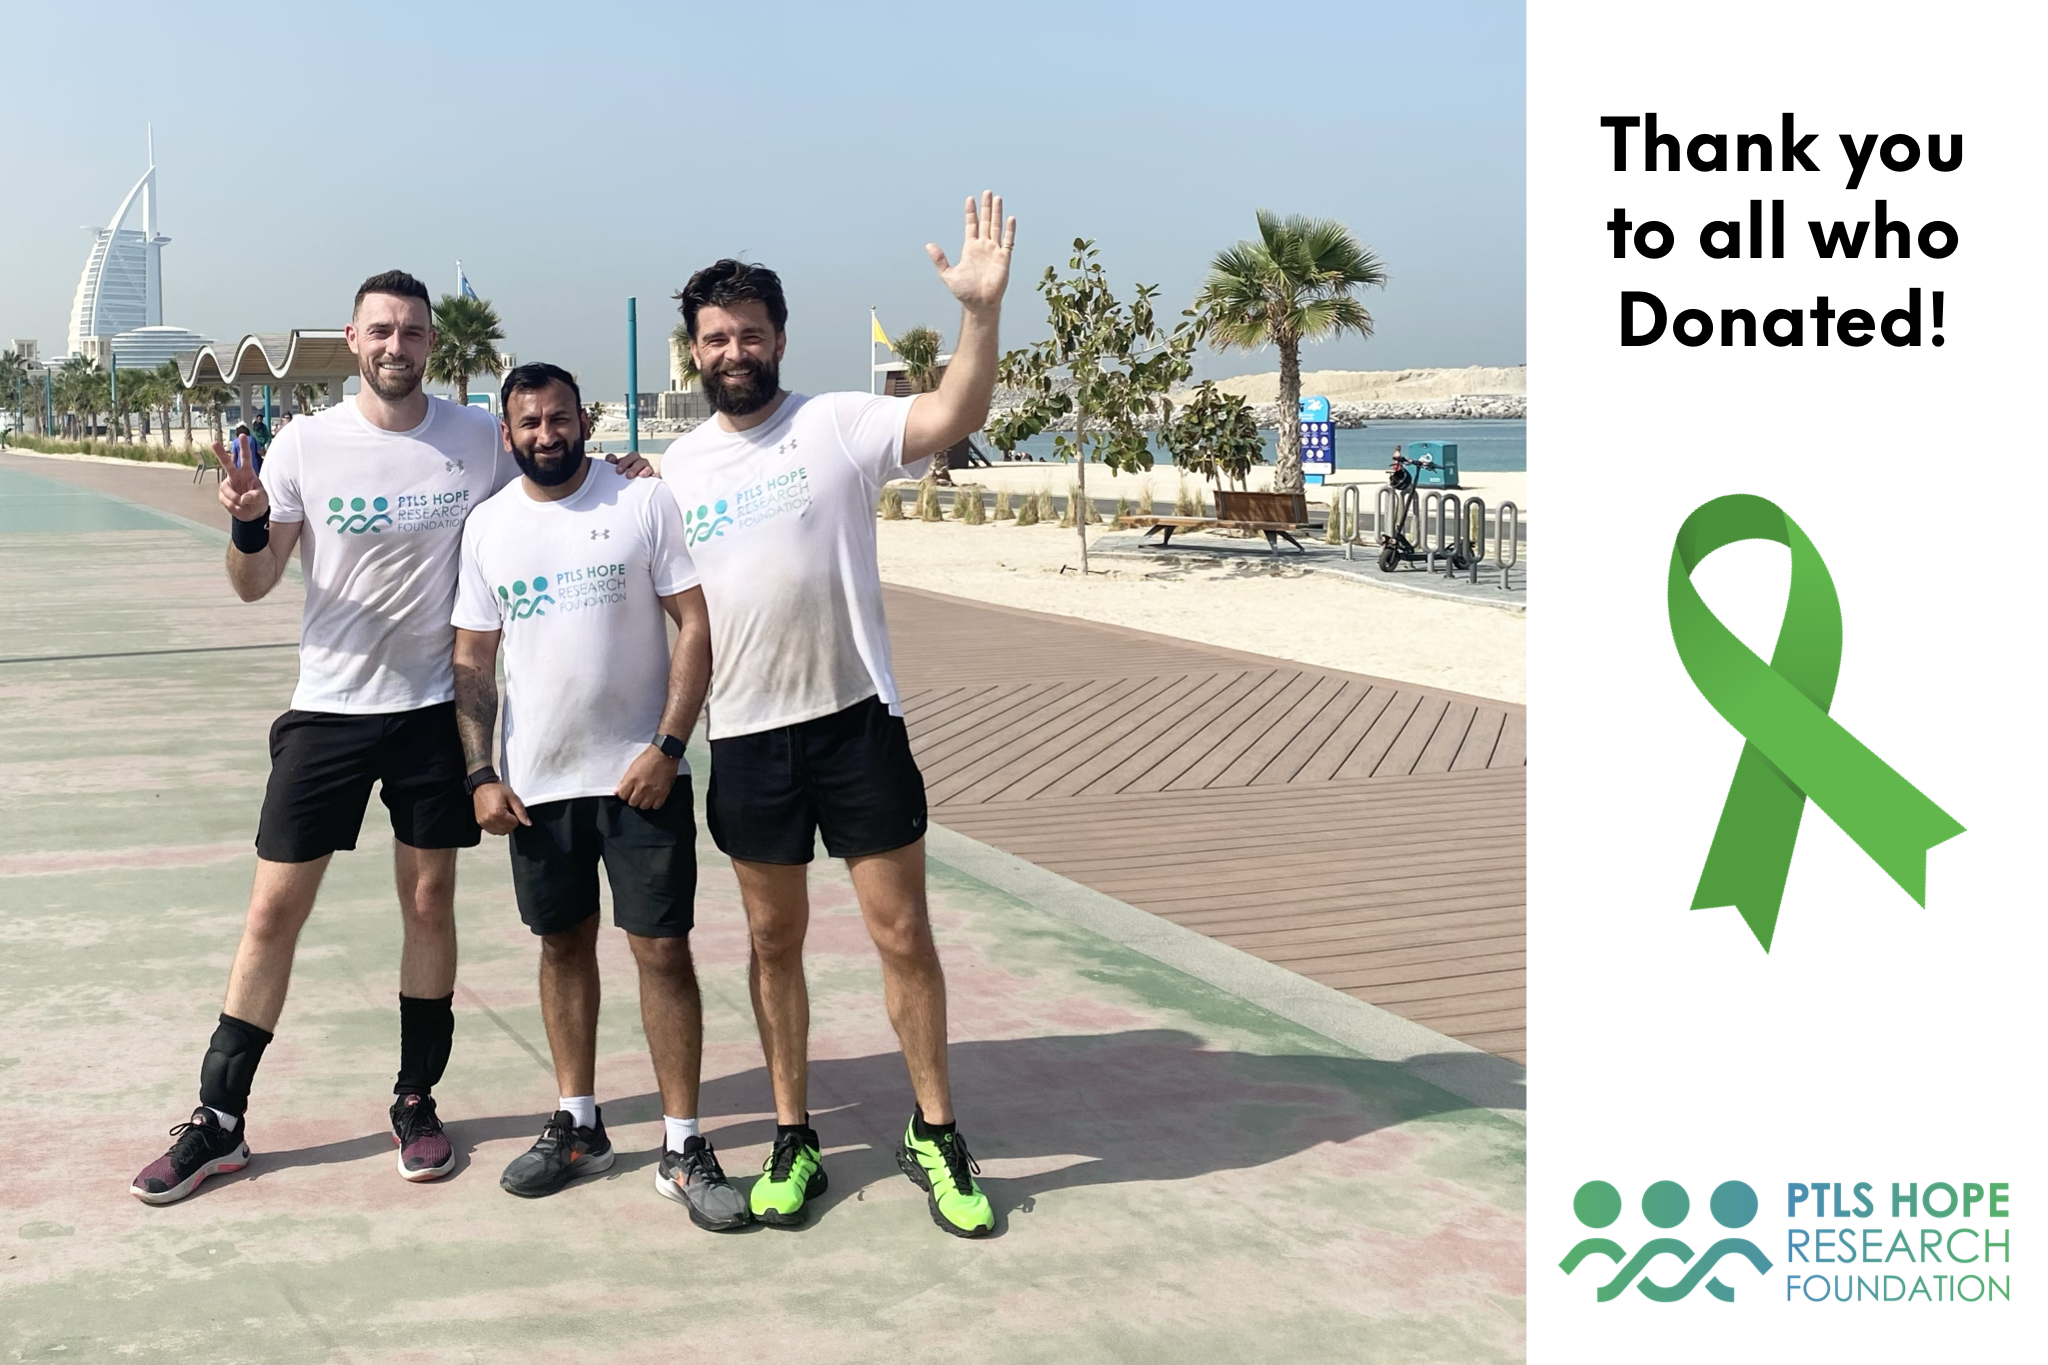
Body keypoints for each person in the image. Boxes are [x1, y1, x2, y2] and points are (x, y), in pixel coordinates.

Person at [129, 271, 650, 1206]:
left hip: (430, 714)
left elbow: (553, 480)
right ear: (354, 337)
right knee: (271, 912)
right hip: (329, 708)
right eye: (381, 330)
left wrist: (628, 476)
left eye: (412, 331)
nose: (396, 345)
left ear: (430, 344)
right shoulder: (304, 446)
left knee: (428, 904)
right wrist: (249, 528)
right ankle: (219, 1119)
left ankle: (417, 1098)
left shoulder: (474, 441)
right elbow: (254, 585)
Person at [662, 192, 1015, 1238]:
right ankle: (791, 1133)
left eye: (750, 334)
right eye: (716, 338)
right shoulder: (675, 473)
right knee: (774, 945)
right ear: (695, 353)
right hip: (748, 738)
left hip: (855, 720)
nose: (734, 351)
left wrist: (979, 313)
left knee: (901, 933)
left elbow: (954, 414)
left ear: (779, 338)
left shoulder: (836, 424)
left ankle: (934, 1131)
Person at [450, 362, 745, 1231]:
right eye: (529, 424)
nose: (547, 435)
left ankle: (683, 1144)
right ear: (508, 435)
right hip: (536, 786)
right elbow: (473, 659)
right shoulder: (488, 528)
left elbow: (694, 622)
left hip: (640, 778)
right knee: (562, 948)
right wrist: (481, 774)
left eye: (559, 419)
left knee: (663, 953)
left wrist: (668, 745)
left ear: (585, 420)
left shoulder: (640, 501)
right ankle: (579, 1125)